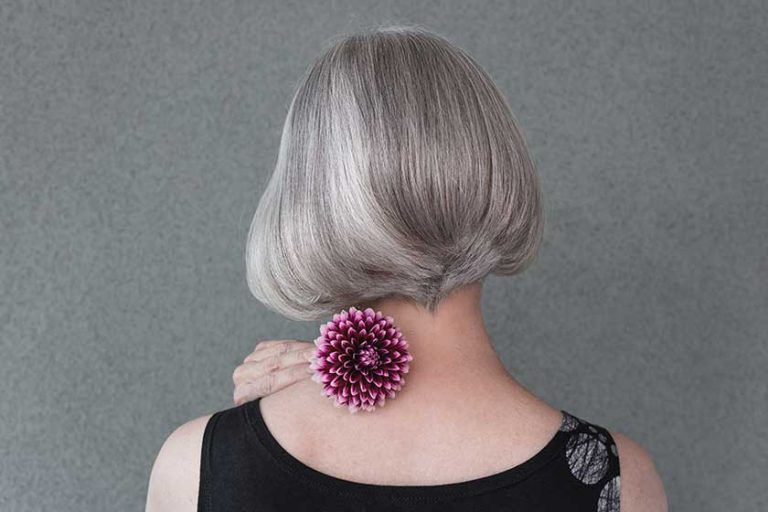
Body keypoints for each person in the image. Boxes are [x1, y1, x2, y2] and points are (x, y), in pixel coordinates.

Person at [145, 25, 667, 512]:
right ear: (493, 174)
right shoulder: (621, 481)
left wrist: (335, 369)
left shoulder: (194, 467)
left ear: (310, 198)